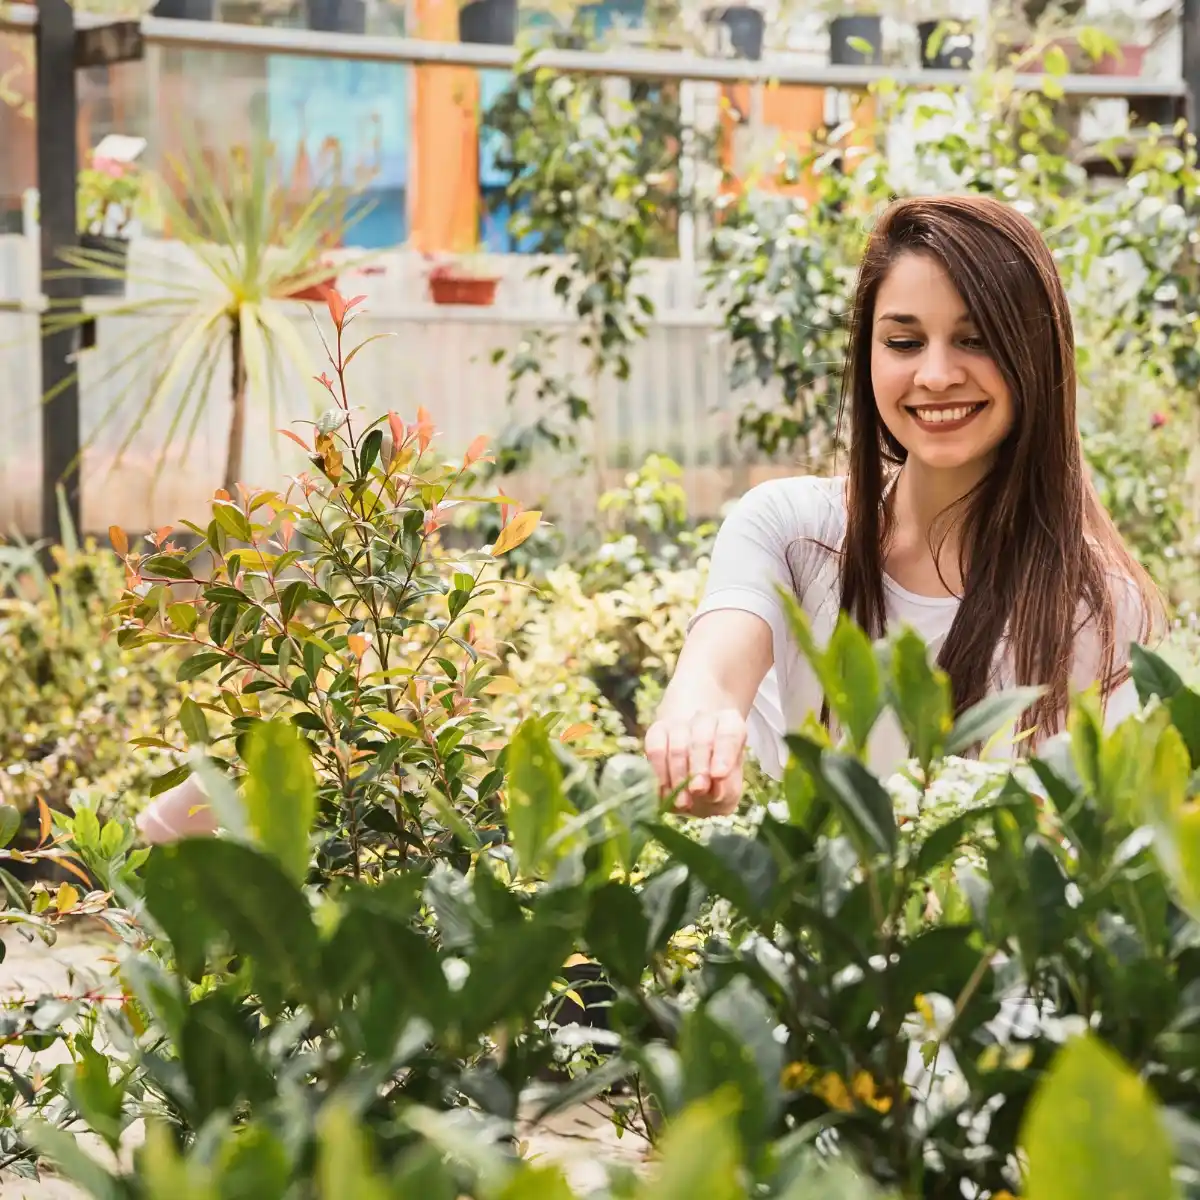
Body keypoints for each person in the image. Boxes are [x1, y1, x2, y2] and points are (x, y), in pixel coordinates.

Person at [645, 194, 1162, 818]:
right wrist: (695, 734)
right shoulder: (791, 531)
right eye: (904, 341)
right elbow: (715, 669)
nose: (937, 374)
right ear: (869, 356)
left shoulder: (1092, 607)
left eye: (975, 339)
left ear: (1035, 355)